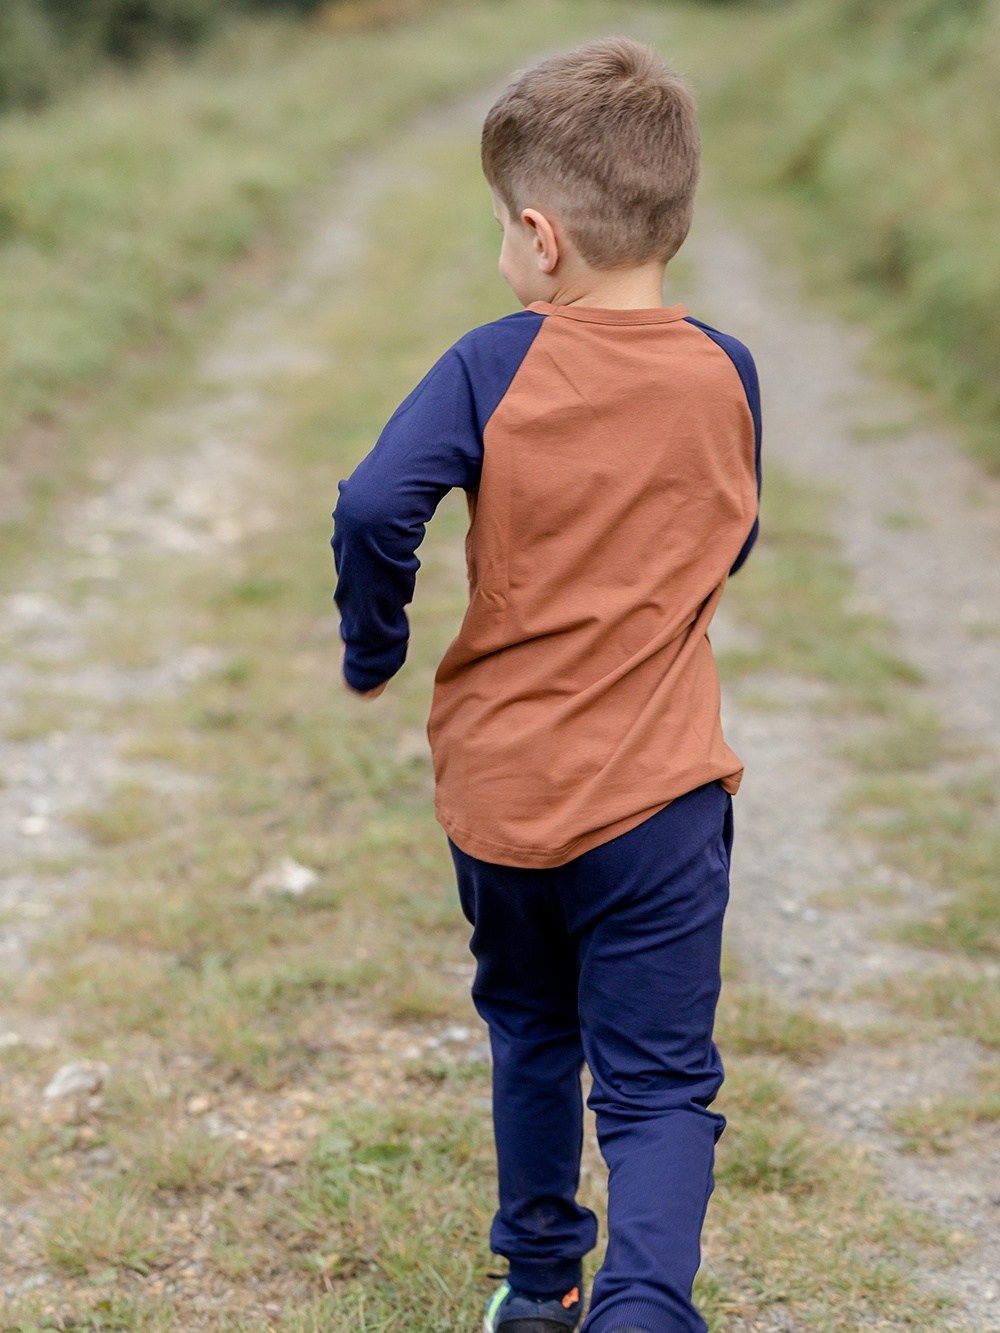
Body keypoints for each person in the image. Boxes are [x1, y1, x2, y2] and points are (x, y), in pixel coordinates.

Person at [330, 34, 762, 1333]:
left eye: (499, 236)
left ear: (541, 236)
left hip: (507, 793)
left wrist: (375, 646)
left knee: (530, 1026)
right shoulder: (727, 370)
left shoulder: (492, 362)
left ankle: (540, 1283)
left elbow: (371, 505)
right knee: (660, 1085)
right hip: (663, 795)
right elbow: (730, 532)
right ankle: (642, 1307)